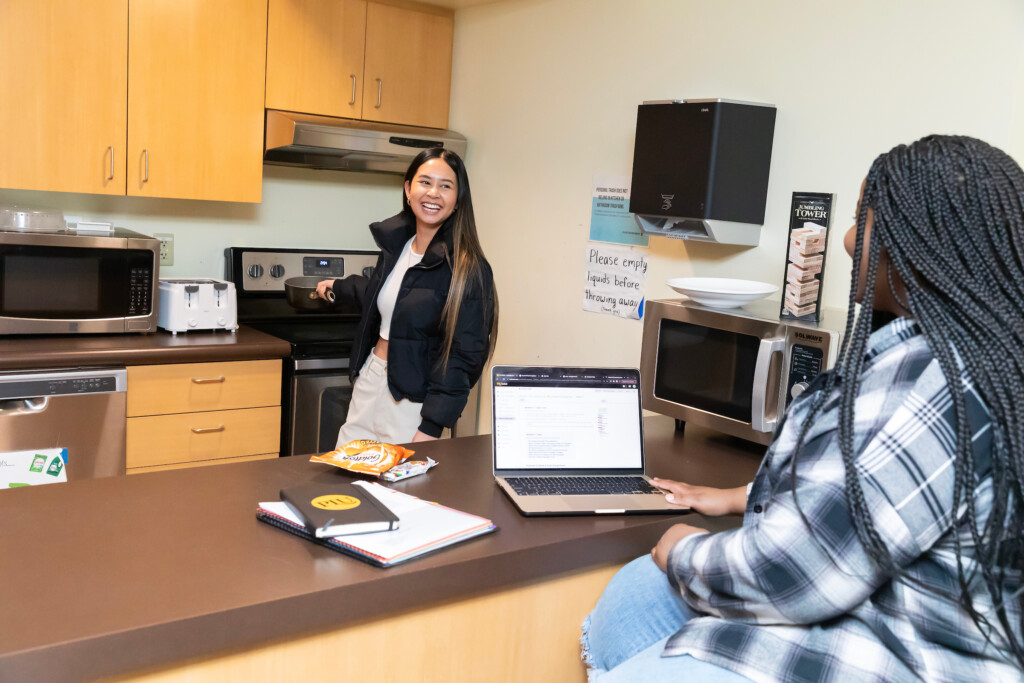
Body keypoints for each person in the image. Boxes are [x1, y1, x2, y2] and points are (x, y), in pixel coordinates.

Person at [581, 135, 1024, 682]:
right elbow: (884, 499)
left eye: (863, 219)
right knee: (640, 595)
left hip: (893, 649)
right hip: (886, 610)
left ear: (919, 241)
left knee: (656, 581)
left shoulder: (932, 379)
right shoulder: (987, 357)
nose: (844, 241)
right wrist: (744, 497)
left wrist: (683, 550)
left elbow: (795, 572)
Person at [316, 148, 497, 445]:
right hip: (371, 377)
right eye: (425, 182)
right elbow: (391, 297)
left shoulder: (468, 267)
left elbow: (464, 355)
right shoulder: (397, 246)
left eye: (446, 186)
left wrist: (432, 426)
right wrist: (339, 284)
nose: (433, 193)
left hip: (413, 402)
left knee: (399, 489)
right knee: (345, 480)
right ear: (408, 189)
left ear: (457, 200)